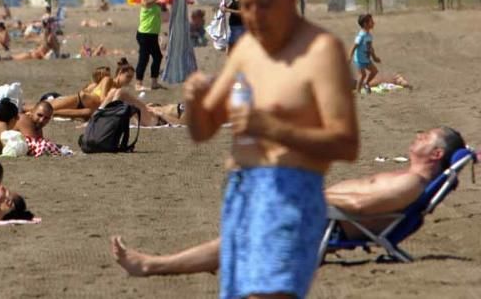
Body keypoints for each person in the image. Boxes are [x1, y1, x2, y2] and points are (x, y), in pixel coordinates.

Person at [182, 0, 358, 299]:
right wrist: (194, 102)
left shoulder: (321, 51)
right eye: (245, 5)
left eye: (263, 4)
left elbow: (346, 144)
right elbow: (204, 131)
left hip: (290, 192)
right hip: (240, 192)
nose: (253, 15)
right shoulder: (247, 48)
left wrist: (273, 128)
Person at [110, 126, 465, 278]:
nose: (417, 136)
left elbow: (358, 206)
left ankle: (152, 266)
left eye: (425, 136)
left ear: (435, 153)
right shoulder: (409, 178)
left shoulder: (410, 183)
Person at [135, 0, 182, 90]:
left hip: (152, 34)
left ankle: (154, 83)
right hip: (144, 34)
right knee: (144, 58)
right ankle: (138, 84)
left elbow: (164, 15)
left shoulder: (154, 2)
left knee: (157, 57)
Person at [350, 14, 382, 95]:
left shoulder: (369, 35)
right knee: (362, 75)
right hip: (359, 59)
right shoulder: (361, 35)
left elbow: (370, 48)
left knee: (374, 71)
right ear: (365, 24)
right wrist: (350, 56)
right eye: (371, 22)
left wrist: (374, 57)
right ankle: (358, 92)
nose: (374, 23)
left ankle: (366, 84)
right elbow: (354, 46)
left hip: (366, 59)